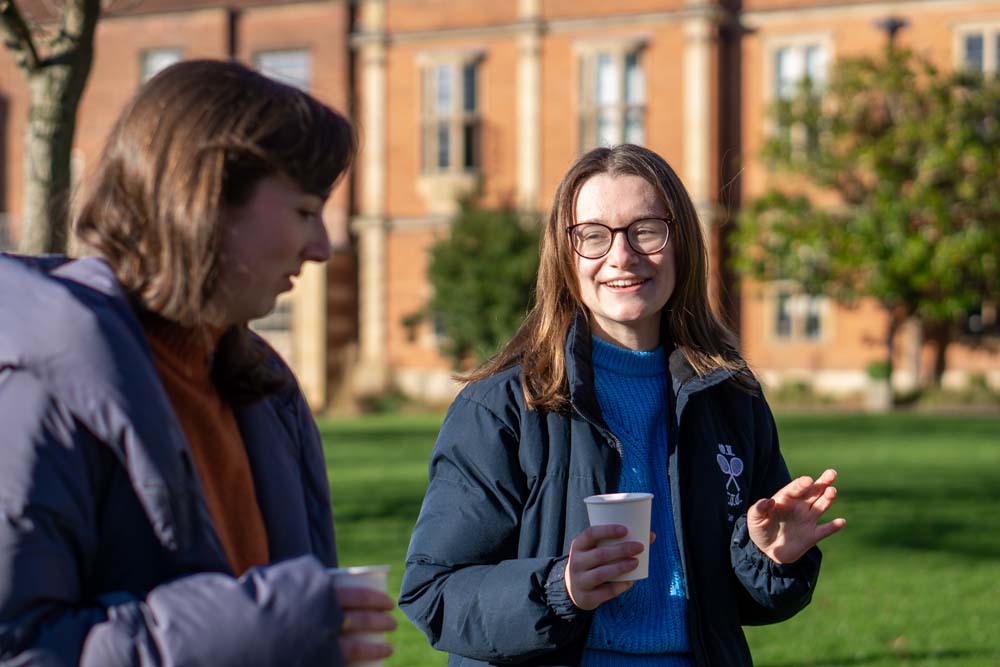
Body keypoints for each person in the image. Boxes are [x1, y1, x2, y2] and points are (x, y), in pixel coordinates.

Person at [0, 59, 395, 666]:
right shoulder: (43, 384)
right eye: (303, 210)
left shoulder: (263, 391)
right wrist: (260, 629)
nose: (321, 247)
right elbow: (22, 648)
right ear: (206, 198)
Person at [399, 144, 846, 666]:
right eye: (593, 235)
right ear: (564, 256)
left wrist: (768, 558)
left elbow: (742, 602)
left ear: (681, 245)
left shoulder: (728, 396)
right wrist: (560, 588)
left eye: (646, 230)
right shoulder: (503, 405)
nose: (621, 255)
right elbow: (433, 593)